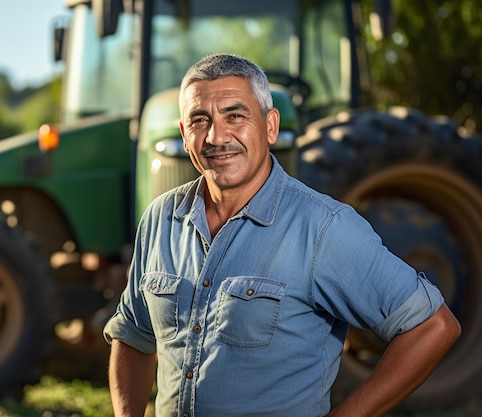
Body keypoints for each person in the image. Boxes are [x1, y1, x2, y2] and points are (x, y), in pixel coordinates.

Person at [103, 53, 461, 417]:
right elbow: (134, 335)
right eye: (200, 120)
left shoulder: (324, 228)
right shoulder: (160, 218)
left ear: (270, 126)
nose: (216, 136)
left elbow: (433, 326)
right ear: (184, 133)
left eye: (235, 116)